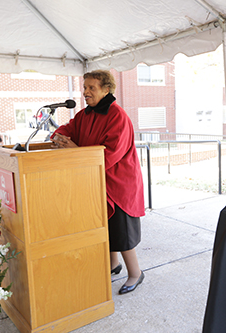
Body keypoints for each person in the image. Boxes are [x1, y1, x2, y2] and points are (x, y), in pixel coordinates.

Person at [51, 70, 145, 295]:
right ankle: (113, 264)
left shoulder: (118, 116)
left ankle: (135, 272)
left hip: (119, 182)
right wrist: (58, 136)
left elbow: (110, 155)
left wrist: (75, 150)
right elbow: (68, 128)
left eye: (91, 88)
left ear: (106, 89)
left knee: (122, 231)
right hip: (95, 179)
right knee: (104, 224)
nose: (85, 92)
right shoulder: (85, 114)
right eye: (85, 88)